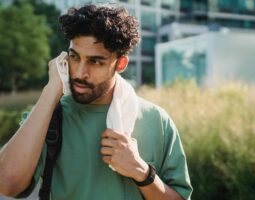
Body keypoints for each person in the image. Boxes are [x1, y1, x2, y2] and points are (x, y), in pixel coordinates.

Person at [0, 4, 192, 200]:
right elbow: (7, 184)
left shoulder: (157, 121)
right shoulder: (49, 115)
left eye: (96, 61)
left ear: (121, 64)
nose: (80, 72)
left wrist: (142, 172)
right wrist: (50, 92)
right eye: (74, 57)